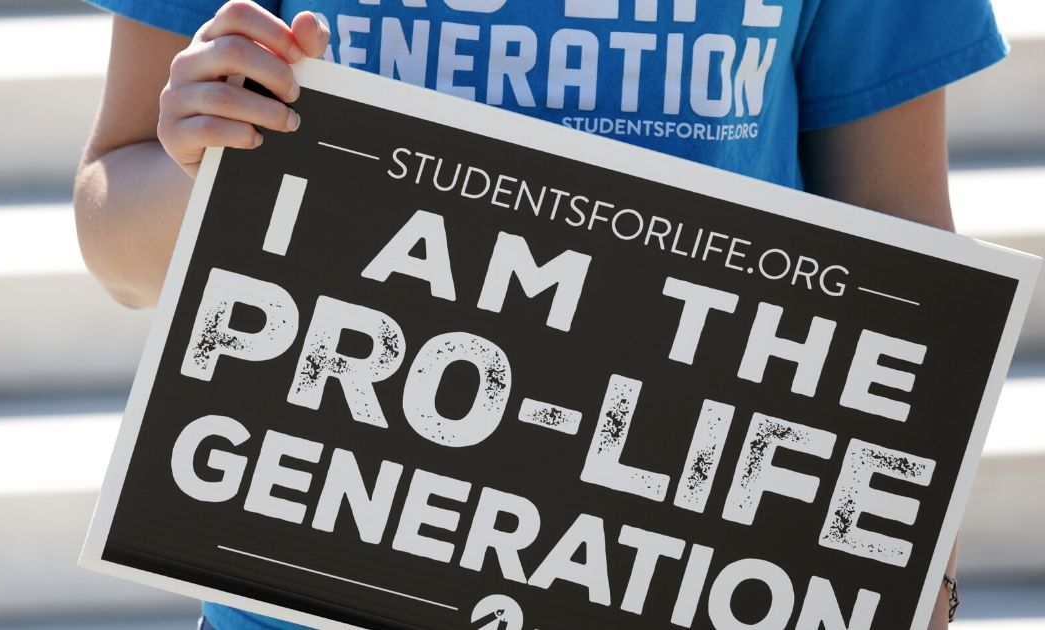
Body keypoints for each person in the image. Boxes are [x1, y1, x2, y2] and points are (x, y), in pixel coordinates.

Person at [74, 1, 1003, 627]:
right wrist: (209, 165)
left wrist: (917, 583)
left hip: (684, 574)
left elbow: (906, 265)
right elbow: (115, 236)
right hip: (322, 576)